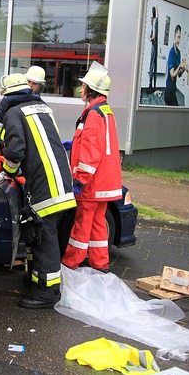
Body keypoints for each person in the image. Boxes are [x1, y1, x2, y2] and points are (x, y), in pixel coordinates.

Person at [0, 73, 76, 309]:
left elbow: (16, 151)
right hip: (61, 181)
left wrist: (5, 168)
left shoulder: (13, 113)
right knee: (37, 234)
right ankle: (36, 280)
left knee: (44, 238)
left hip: (44, 187)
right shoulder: (42, 108)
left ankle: (47, 294)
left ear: (7, 94)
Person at [62, 62, 122, 273]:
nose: (81, 89)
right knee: (97, 225)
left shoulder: (93, 113)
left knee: (82, 225)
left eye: (84, 86)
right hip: (105, 182)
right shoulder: (105, 110)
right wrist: (74, 143)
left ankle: (71, 263)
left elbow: (91, 151)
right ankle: (100, 264)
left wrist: (79, 180)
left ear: (90, 90)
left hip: (92, 184)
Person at [164, 24, 186, 106]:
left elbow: (178, 74)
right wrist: (180, 65)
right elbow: (172, 75)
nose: (179, 40)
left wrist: (182, 70)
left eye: (180, 37)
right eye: (178, 37)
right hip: (169, 90)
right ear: (174, 37)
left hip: (174, 89)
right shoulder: (171, 53)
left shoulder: (179, 53)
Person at [148, 6, 158, 93]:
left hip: (153, 45)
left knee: (151, 66)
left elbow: (154, 36)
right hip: (153, 45)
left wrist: (151, 38)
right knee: (152, 66)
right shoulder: (154, 21)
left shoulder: (155, 22)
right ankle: (151, 85)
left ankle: (150, 86)